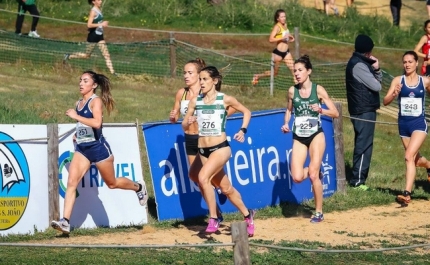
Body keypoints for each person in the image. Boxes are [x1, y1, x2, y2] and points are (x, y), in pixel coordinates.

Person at [51, 70, 148, 234]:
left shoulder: (95, 102)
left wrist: (76, 117)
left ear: (94, 85)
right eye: (80, 80)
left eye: (85, 81)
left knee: (112, 183)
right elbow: (84, 125)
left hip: (98, 148)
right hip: (83, 149)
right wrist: (78, 133)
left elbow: (96, 123)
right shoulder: (78, 103)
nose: (81, 83)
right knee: (71, 182)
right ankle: (65, 221)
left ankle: (138, 187)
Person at [182, 66, 255, 237]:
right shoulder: (195, 101)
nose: (201, 82)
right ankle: (247, 214)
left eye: (205, 79)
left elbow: (247, 112)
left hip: (221, 148)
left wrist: (242, 130)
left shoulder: (225, 99)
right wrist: (188, 121)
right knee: (226, 188)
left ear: (214, 81)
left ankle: (214, 217)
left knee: (202, 177)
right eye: (199, 79)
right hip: (203, 151)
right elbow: (184, 125)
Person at [169, 58, 231, 222]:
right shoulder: (181, 93)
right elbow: (175, 115)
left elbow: (229, 108)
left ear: (198, 75)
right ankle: (216, 212)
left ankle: (219, 196)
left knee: (209, 177)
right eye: (184, 73)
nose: (186, 76)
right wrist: (174, 116)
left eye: (190, 73)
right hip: (189, 139)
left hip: (205, 138)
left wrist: (218, 118)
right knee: (197, 177)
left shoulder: (206, 94)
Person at [281, 55, 339, 223]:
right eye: (295, 71)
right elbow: (289, 110)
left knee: (312, 174)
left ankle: (319, 212)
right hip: (299, 136)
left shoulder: (318, 90)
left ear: (308, 71)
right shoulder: (292, 91)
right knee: (297, 177)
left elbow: (335, 113)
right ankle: (316, 172)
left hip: (316, 135)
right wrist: (286, 123)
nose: (297, 74)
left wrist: (321, 110)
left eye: (300, 70)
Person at [383, 51, 430, 204]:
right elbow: (385, 101)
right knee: (415, 160)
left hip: (419, 124)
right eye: (405, 62)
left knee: (408, 156)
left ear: (417, 63)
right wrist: (394, 93)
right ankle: (429, 165)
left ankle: (407, 194)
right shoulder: (398, 80)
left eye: (410, 61)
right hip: (403, 125)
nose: (407, 64)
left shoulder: (425, 81)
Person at [345, 34, 382, 191]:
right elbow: (377, 86)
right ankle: (357, 181)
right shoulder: (359, 65)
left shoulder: (358, 62)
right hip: (363, 110)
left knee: (365, 143)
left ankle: (359, 178)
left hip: (362, 108)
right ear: (368, 51)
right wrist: (377, 69)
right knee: (363, 145)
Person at [63, 0, 115, 75]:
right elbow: (89, 25)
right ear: (93, 2)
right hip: (93, 37)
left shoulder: (99, 9)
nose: (101, 1)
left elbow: (98, 22)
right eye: (98, 0)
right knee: (87, 55)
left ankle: (113, 73)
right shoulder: (93, 11)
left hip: (100, 36)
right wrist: (101, 24)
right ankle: (69, 56)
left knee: (107, 55)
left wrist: (103, 24)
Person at [252, 9, 296, 86]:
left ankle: (299, 91)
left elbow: (285, 35)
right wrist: (282, 38)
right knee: (274, 73)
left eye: (284, 16)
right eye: (282, 17)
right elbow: (271, 39)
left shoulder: (285, 25)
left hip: (286, 53)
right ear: (277, 18)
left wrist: (290, 37)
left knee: (294, 70)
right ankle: (258, 76)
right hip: (278, 54)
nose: (284, 18)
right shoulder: (277, 27)